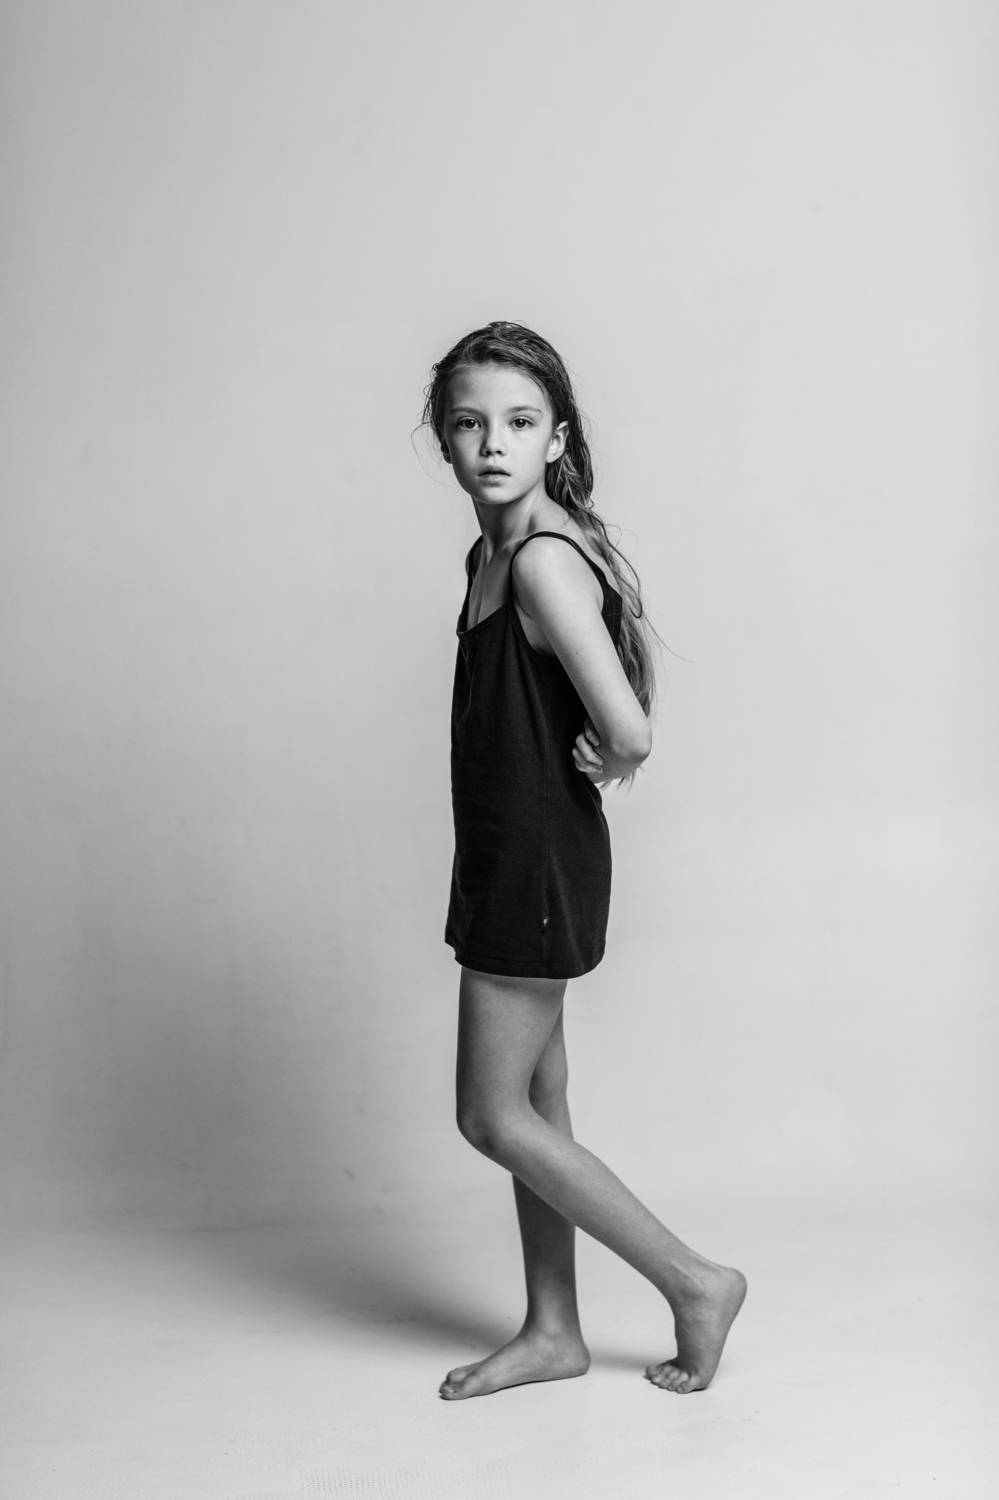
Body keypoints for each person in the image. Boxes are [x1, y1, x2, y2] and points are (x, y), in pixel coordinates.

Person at [421, 321, 746, 1400]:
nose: (492, 444)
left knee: (491, 1114)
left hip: (535, 867)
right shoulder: (491, 555)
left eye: (519, 422)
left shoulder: (543, 562)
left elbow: (630, 730)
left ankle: (695, 1281)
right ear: (443, 439)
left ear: (556, 437)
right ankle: (553, 1330)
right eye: (468, 423)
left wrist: (615, 754)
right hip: (505, 856)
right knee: (540, 1104)